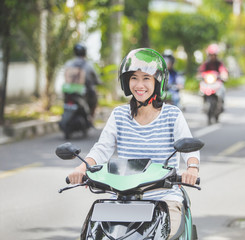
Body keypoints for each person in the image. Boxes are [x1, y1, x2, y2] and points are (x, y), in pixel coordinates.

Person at [68, 48, 200, 238]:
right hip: (122, 199)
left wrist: (192, 168)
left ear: (158, 81)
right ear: (126, 82)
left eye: (146, 78)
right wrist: (82, 168)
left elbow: (189, 147)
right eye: (134, 78)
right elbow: (102, 147)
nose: (139, 84)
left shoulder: (172, 115)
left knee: (169, 235)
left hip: (162, 198)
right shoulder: (119, 115)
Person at [63, 43, 102, 118]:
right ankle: (91, 118)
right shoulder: (89, 65)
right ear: (85, 53)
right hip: (85, 91)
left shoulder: (68, 63)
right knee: (94, 100)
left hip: (68, 91)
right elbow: (96, 77)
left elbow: (65, 76)